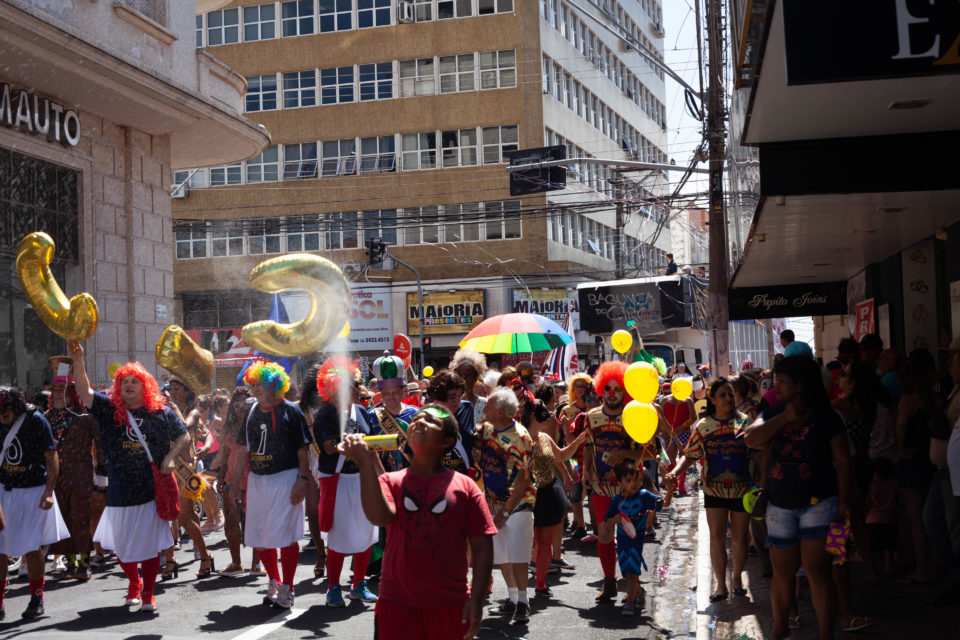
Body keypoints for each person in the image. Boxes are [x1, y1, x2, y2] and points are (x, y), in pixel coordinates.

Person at [339, 404, 495, 639]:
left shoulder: (466, 487)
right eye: (417, 419)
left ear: (448, 441)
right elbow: (379, 516)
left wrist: (477, 600)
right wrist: (364, 463)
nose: (420, 422)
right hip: (396, 604)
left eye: (431, 421)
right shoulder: (390, 481)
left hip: (451, 605)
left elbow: (483, 547)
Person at [68, 342, 190, 613]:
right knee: (122, 548)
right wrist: (78, 360)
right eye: (125, 383)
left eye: (135, 382)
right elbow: (84, 392)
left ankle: (147, 592)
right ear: (118, 389)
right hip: (120, 491)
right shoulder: (109, 412)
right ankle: (133, 582)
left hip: (151, 490)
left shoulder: (161, 412)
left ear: (145, 386)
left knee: (148, 547)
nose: (130, 386)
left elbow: (184, 435)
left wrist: (170, 458)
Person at [744, 355, 853, 640]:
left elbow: (842, 461)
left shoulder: (828, 417)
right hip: (780, 506)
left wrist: (844, 501)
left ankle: (825, 634)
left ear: (800, 385)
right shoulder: (772, 413)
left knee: (818, 572)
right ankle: (779, 629)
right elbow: (750, 438)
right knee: (782, 573)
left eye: (782, 381)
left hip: (821, 504)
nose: (776, 386)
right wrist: (784, 417)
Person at [234, 361, 312, 609]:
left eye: (259, 385)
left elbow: (303, 448)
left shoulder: (292, 410)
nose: (254, 390)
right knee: (260, 536)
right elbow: (241, 449)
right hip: (258, 480)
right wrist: (236, 481)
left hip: (286, 478)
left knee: (286, 536)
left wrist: (302, 479)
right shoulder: (251, 412)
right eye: (253, 385)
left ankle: (288, 586)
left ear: (273, 386)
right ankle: (274, 580)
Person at [666, 378, 753, 601]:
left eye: (730, 394)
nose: (728, 399)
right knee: (716, 536)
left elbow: (758, 453)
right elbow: (690, 454)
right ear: (712, 400)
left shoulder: (746, 422)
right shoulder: (703, 426)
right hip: (714, 490)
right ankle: (721, 586)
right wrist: (675, 472)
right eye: (722, 395)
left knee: (740, 537)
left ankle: (737, 579)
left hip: (742, 489)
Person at [579, 361, 651, 602]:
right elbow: (589, 445)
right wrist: (586, 471)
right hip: (600, 487)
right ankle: (609, 582)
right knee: (605, 535)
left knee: (631, 537)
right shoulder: (592, 416)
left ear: (624, 391)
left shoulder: (634, 415)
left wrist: (625, 455)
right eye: (607, 389)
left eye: (616, 389)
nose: (611, 394)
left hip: (628, 489)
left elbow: (648, 453)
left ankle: (635, 586)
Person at [314, 357, 379, 607]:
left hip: (361, 478)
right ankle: (333, 587)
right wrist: (352, 449)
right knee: (339, 536)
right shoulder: (326, 413)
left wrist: (380, 474)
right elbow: (328, 447)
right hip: (338, 481)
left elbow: (371, 445)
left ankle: (359, 585)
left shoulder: (361, 410)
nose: (359, 388)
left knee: (365, 532)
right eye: (354, 384)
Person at [0, 386, 67, 619]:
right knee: (0, 548)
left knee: (32, 547)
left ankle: (37, 598)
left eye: (6, 411)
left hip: (33, 491)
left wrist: (49, 491)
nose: (3, 417)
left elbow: (51, 457)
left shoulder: (36, 420)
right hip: (4, 490)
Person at [475, 388, 535, 623]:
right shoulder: (487, 429)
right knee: (503, 556)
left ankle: (523, 602)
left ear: (500, 411)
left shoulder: (521, 437)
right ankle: (512, 598)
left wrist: (505, 512)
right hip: (493, 504)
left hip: (518, 506)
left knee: (519, 557)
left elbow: (523, 480)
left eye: (488, 406)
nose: (484, 409)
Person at [44, 357, 102, 581]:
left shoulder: (86, 417)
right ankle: (71, 563)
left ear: (73, 393)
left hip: (81, 478)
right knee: (63, 522)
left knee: (80, 519)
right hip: (56, 480)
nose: (58, 395)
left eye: (63, 391)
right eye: (55, 391)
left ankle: (84, 563)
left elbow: (100, 443)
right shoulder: (47, 418)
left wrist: (103, 474)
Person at [524, 395, 585, 594]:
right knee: (528, 541)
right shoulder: (520, 438)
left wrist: (579, 440)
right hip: (527, 494)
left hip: (548, 493)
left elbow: (562, 456)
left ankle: (540, 583)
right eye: (545, 414)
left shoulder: (544, 437)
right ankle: (518, 589)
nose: (550, 417)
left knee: (544, 542)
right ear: (533, 416)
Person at [599, 460, 663, 615]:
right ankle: (639, 592)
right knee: (626, 571)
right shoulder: (616, 500)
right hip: (622, 542)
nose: (633, 483)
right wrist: (612, 520)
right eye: (628, 480)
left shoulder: (643, 496)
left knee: (633, 571)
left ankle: (630, 602)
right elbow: (607, 520)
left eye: (636, 479)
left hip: (636, 541)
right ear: (620, 482)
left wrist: (667, 490)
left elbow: (661, 504)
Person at [896, 351, 938, 584]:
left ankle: (922, 569)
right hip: (930, 459)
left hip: (911, 462)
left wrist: (900, 451)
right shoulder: (934, 398)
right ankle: (933, 564)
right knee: (932, 517)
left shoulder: (907, 400)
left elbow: (901, 428)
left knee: (916, 520)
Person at [213, 387, 257, 577]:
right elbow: (224, 453)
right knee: (231, 521)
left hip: (254, 478)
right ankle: (236, 563)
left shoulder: (257, 424)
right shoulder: (228, 426)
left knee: (255, 522)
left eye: (245, 404)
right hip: (232, 478)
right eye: (237, 404)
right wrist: (220, 476)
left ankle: (257, 564)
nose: (241, 408)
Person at [297, 363, 327, 578]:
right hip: (309, 465)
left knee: (334, 512)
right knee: (313, 513)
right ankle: (320, 554)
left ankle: (334, 553)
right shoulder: (301, 410)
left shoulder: (334, 404)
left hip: (332, 463)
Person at [369, 352, 418, 471]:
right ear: (381, 394)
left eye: (395, 392)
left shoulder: (416, 414)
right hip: (382, 474)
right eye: (386, 393)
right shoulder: (371, 416)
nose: (391, 397)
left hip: (412, 474)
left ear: (402, 392)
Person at [561, 373, 595, 540]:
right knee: (575, 490)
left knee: (593, 493)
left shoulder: (597, 409)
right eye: (578, 386)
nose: (581, 389)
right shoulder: (568, 410)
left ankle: (591, 526)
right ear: (573, 389)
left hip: (593, 458)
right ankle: (579, 523)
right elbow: (566, 439)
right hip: (574, 456)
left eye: (585, 386)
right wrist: (566, 428)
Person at [425, 370, 475, 474]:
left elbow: (471, 432)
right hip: (436, 478)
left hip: (464, 477)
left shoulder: (467, 408)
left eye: (460, 394)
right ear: (440, 395)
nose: (457, 400)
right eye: (452, 396)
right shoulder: (426, 414)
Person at [661, 380, 696, 496]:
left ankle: (681, 486)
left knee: (683, 459)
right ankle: (673, 484)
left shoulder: (688, 400)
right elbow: (661, 417)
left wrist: (682, 427)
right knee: (671, 459)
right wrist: (664, 431)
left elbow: (694, 417)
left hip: (685, 434)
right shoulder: (665, 400)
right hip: (670, 434)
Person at [452, 349, 488, 425]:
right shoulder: (451, 402)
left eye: (468, 374)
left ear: (476, 376)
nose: (463, 377)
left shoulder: (485, 403)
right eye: (460, 374)